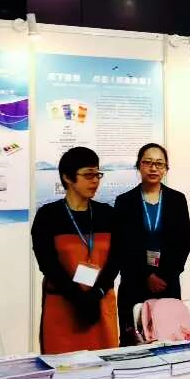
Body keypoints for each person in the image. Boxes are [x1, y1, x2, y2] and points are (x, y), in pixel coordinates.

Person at [31, 147, 119, 354]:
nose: (95, 181)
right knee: (63, 367)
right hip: (63, 305)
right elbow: (48, 264)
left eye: (97, 175)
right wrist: (77, 297)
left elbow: (117, 258)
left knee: (104, 365)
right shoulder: (48, 216)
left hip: (100, 303)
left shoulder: (107, 214)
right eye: (88, 175)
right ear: (67, 177)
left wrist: (97, 292)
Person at [115, 143, 190, 344]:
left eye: (159, 164)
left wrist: (164, 275)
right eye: (148, 162)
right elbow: (122, 246)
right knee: (134, 343)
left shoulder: (177, 200)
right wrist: (146, 276)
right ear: (138, 166)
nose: (153, 168)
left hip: (168, 284)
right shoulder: (124, 202)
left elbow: (184, 242)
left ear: (166, 168)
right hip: (133, 283)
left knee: (169, 340)